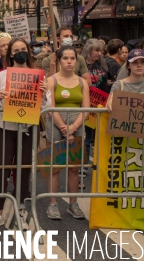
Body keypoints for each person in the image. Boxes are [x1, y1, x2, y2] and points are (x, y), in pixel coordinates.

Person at [0, 38, 48, 230]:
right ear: (10, 54)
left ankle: (21, 208)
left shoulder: (39, 77)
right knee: (0, 168)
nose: (20, 52)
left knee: (24, 169)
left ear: (28, 52)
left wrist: (44, 94)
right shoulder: (2, 76)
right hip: (6, 128)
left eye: (23, 49)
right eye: (16, 49)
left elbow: (48, 107)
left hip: (29, 128)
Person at [44, 45, 89, 220]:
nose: (69, 62)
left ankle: (73, 203)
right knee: (54, 167)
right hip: (56, 124)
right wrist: (64, 128)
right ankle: (52, 203)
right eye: (65, 58)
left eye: (72, 58)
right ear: (59, 60)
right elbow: (50, 107)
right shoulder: (51, 80)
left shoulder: (82, 82)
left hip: (77, 124)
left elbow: (85, 108)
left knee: (73, 168)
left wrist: (73, 128)